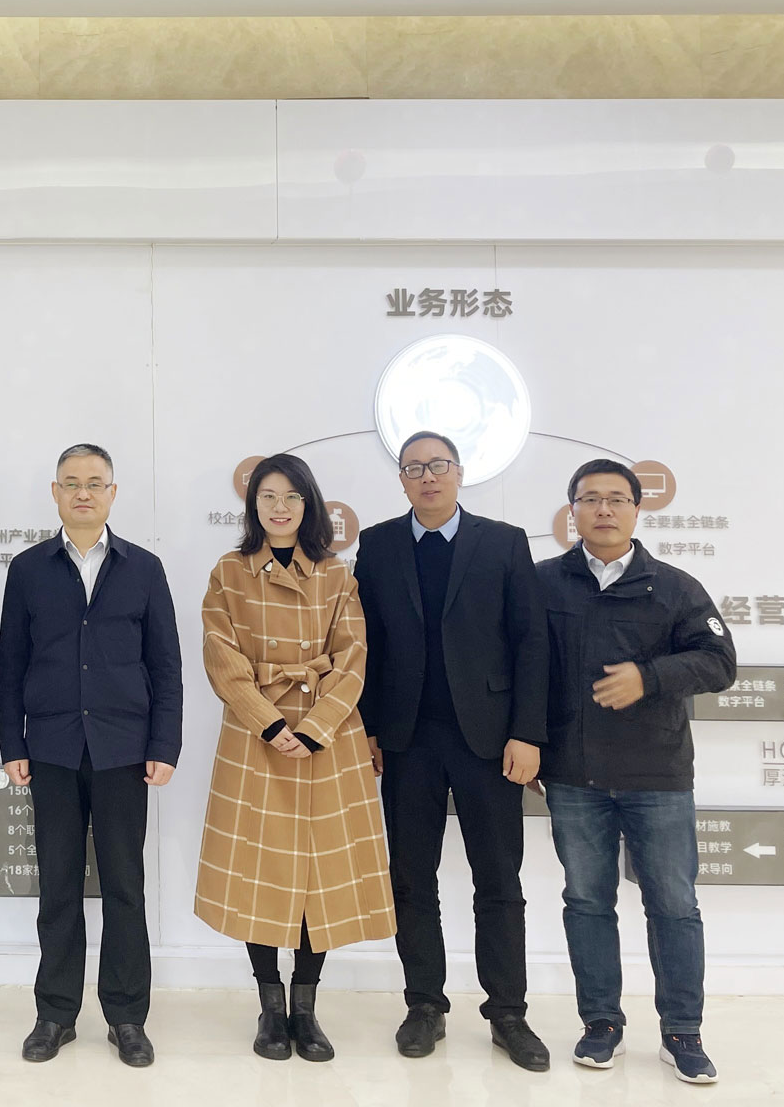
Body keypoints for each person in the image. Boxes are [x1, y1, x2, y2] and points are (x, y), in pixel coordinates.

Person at [353, 431, 551, 1071]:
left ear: (460, 473)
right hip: (407, 739)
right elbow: (366, 644)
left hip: (489, 740)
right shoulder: (378, 544)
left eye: (438, 465)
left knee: (498, 880)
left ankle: (508, 1012)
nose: (428, 477)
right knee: (412, 879)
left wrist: (528, 732)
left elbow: (531, 642)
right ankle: (424, 1005)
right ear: (402, 480)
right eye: (414, 468)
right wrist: (370, 727)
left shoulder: (503, 542)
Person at [539, 459, 736, 1086]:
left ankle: (683, 1032)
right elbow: (519, 668)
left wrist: (649, 678)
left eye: (616, 499)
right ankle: (601, 1023)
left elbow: (720, 663)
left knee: (673, 905)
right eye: (590, 499)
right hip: (574, 776)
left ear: (636, 509)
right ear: (572, 509)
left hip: (658, 774)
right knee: (586, 901)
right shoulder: (543, 583)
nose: (603, 509)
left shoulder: (674, 587)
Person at [194, 453, 396, 1064]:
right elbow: (221, 656)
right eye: (267, 497)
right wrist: (271, 722)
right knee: (259, 874)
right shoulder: (229, 571)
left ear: (309, 505)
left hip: (326, 743)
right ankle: (270, 1005)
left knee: (319, 877)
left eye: (291, 497)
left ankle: (305, 1008)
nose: (279, 508)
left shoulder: (336, 573)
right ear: (252, 505)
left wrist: (314, 728)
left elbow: (354, 657)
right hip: (255, 739)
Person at [0, 443, 183, 1069]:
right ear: (55, 492)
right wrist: (13, 745)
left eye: (95, 483)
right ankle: (55, 1013)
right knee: (57, 885)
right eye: (71, 482)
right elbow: (10, 665)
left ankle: (127, 1017)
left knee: (125, 885)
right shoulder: (28, 569)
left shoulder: (144, 568)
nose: (83, 492)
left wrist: (163, 744)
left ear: (112, 493)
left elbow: (165, 665)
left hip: (123, 749)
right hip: (51, 748)